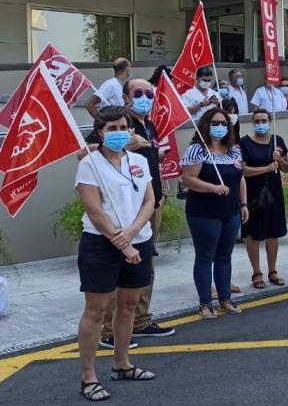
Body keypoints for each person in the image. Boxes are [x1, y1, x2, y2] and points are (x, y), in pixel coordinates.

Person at [74, 106, 156, 401]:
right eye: (112, 129)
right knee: (96, 310)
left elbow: (149, 200)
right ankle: (88, 378)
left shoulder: (138, 160)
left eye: (124, 127)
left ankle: (122, 364)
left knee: (129, 304)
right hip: (101, 243)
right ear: (100, 133)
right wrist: (122, 243)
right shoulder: (89, 164)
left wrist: (133, 233)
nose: (120, 133)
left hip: (139, 240)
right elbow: (94, 210)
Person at [90, 80, 174, 348]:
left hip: (150, 203)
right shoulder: (118, 123)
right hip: (122, 207)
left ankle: (139, 320)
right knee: (119, 266)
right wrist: (126, 143)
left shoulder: (149, 124)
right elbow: (86, 152)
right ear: (126, 97)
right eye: (138, 94)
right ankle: (108, 329)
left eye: (149, 94)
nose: (144, 98)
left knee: (145, 265)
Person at [180, 108, 249, 318]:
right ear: (206, 125)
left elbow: (240, 178)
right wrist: (211, 187)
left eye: (223, 123)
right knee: (205, 257)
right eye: (215, 123)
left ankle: (225, 299)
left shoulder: (234, 150)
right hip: (204, 213)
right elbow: (188, 179)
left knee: (224, 256)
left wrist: (244, 203)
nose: (219, 127)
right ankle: (205, 303)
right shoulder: (197, 150)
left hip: (231, 211)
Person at [240, 108, 288, 289]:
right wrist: (266, 168)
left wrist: (280, 160)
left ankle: (273, 271)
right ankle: (257, 272)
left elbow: (285, 168)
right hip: (252, 193)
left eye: (264, 121)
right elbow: (243, 170)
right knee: (253, 234)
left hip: (273, 193)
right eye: (257, 121)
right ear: (253, 123)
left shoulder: (278, 141)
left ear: (270, 122)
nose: (261, 124)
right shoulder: (244, 143)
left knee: (272, 233)